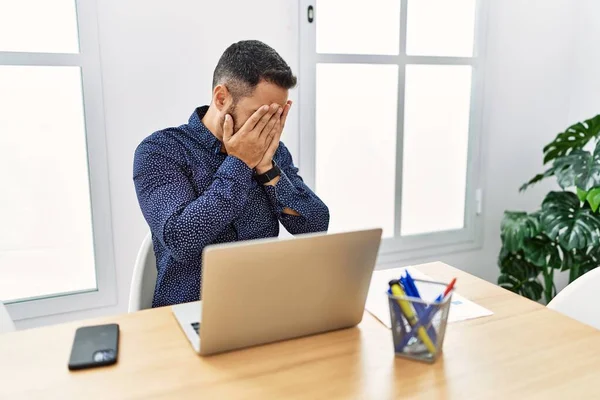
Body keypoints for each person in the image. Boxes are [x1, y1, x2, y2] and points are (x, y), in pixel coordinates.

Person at [133, 40, 329, 307]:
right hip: (188, 312)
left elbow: (315, 225)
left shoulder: (272, 152)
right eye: (259, 116)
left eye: (276, 116)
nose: (268, 127)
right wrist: (240, 162)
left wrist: (266, 168)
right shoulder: (161, 150)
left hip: (260, 309)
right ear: (221, 98)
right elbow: (180, 239)